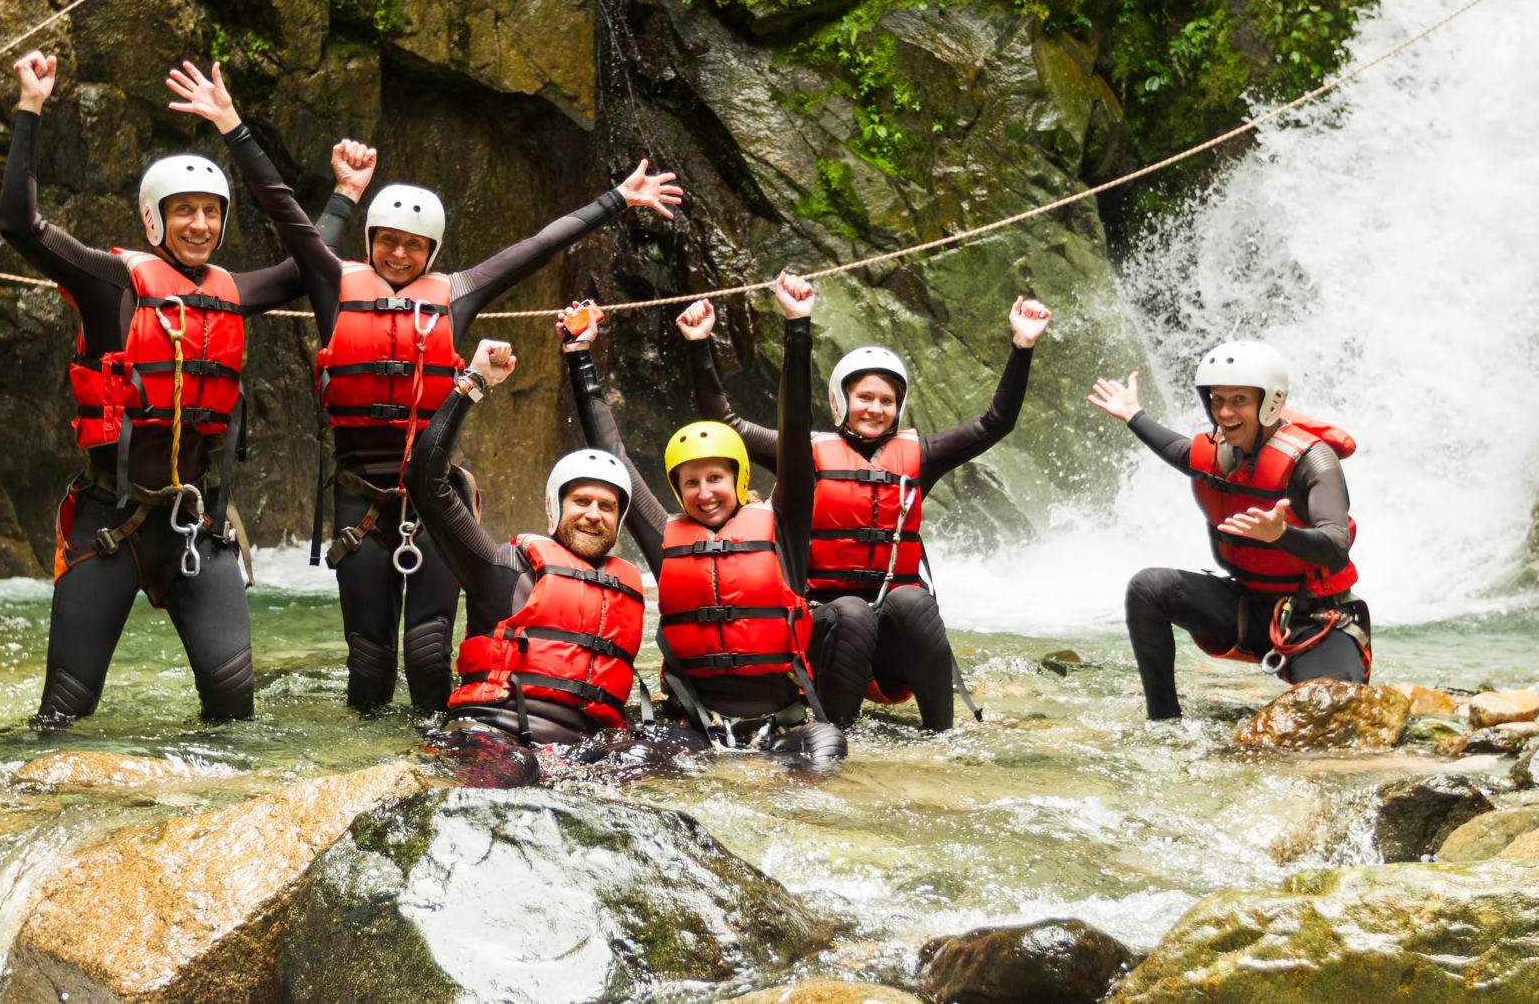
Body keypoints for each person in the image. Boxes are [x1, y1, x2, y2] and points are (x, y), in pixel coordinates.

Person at [162, 59, 683, 716]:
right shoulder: (332, 282)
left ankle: (441, 763)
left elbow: (537, 245)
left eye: (413, 246)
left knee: (431, 651)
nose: (399, 255)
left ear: (431, 251)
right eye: (387, 243)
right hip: (359, 500)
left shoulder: (457, 294)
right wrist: (230, 123)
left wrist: (616, 199)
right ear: (371, 241)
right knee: (372, 658)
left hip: (437, 499)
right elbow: (284, 208)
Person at [0, 50, 306, 726]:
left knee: (234, 708)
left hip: (194, 526)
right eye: (183, 211)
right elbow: (20, 225)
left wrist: (234, 127)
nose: (199, 224)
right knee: (64, 712)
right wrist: (29, 107)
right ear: (151, 219)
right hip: (108, 522)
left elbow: (313, 254)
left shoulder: (234, 292)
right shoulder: (111, 284)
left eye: (210, 212)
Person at [673, 296, 1053, 730]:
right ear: (841, 400)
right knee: (852, 610)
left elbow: (994, 422)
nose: (876, 408)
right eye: (865, 397)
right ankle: (833, 738)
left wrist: (1022, 346)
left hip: (887, 645)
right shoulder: (803, 455)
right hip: (823, 633)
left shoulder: (920, 456)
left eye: (886, 400)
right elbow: (727, 425)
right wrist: (698, 344)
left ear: (898, 407)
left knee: (913, 599)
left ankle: (942, 738)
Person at [568, 276, 846, 771]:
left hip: (785, 727)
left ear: (739, 477)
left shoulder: (783, 523)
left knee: (823, 770)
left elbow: (796, 428)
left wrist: (797, 326)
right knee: (626, 769)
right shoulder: (665, 535)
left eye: (715, 477)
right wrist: (579, 355)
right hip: (693, 726)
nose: (704, 492)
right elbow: (613, 455)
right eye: (690, 482)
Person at [400, 335, 706, 786]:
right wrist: (474, 383)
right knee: (518, 766)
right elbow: (425, 477)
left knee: (680, 748)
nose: (593, 514)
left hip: (580, 754)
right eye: (581, 501)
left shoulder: (626, 585)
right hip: (491, 738)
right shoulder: (502, 568)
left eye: (607, 507)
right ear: (553, 508)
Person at [1089, 341, 1369, 722]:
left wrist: (1281, 536)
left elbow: (1336, 545)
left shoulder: (1313, 460)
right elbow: (1176, 450)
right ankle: (1164, 723)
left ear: (1270, 402)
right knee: (1148, 587)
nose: (1224, 412)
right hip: (1246, 610)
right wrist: (1134, 415)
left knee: (1331, 715)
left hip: (1314, 620)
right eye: (1217, 399)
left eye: (1239, 400)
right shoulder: (1216, 452)